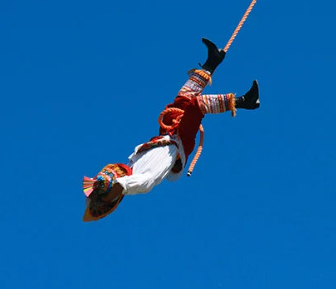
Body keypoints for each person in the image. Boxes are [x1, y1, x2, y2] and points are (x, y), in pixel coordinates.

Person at [82, 39, 259, 221]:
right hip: (179, 143)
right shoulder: (140, 181)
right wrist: (109, 193)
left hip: (168, 135)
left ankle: (211, 62)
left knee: (183, 99)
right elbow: (125, 185)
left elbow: (120, 184)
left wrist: (103, 188)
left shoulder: (133, 164)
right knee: (195, 106)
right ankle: (244, 101)